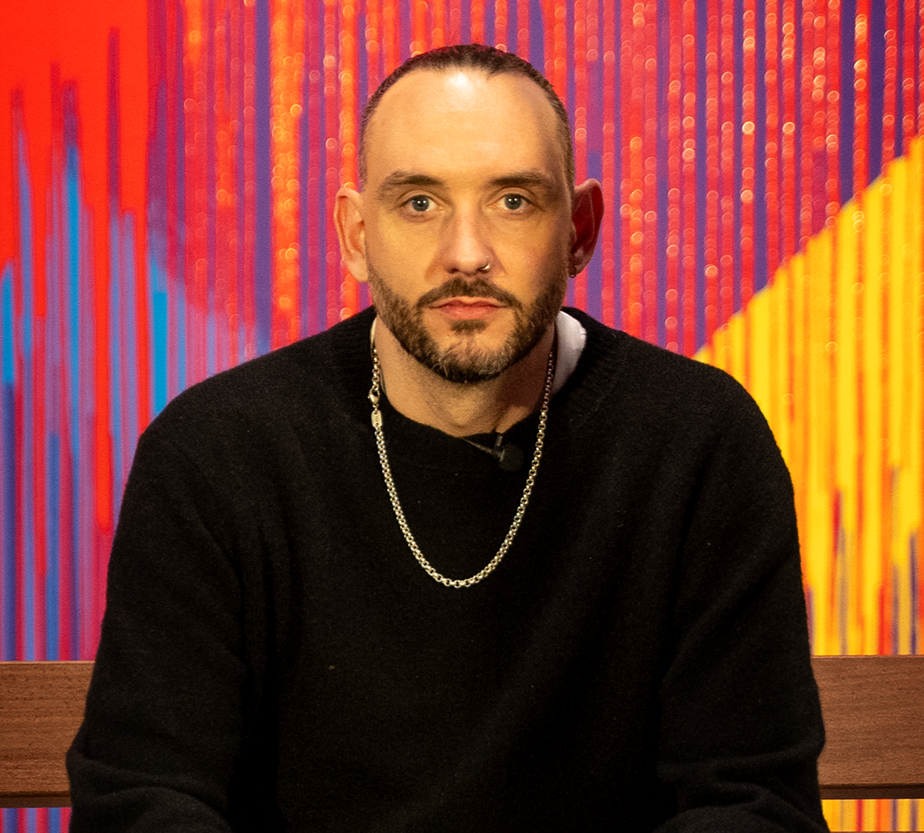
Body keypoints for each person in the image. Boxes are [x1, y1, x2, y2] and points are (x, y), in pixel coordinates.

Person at [67, 44, 828, 832]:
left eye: (513, 201)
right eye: (420, 203)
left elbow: (753, 803)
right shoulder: (216, 455)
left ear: (579, 229)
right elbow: (142, 800)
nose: (467, 254)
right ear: (357, 234)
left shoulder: (699, 443)